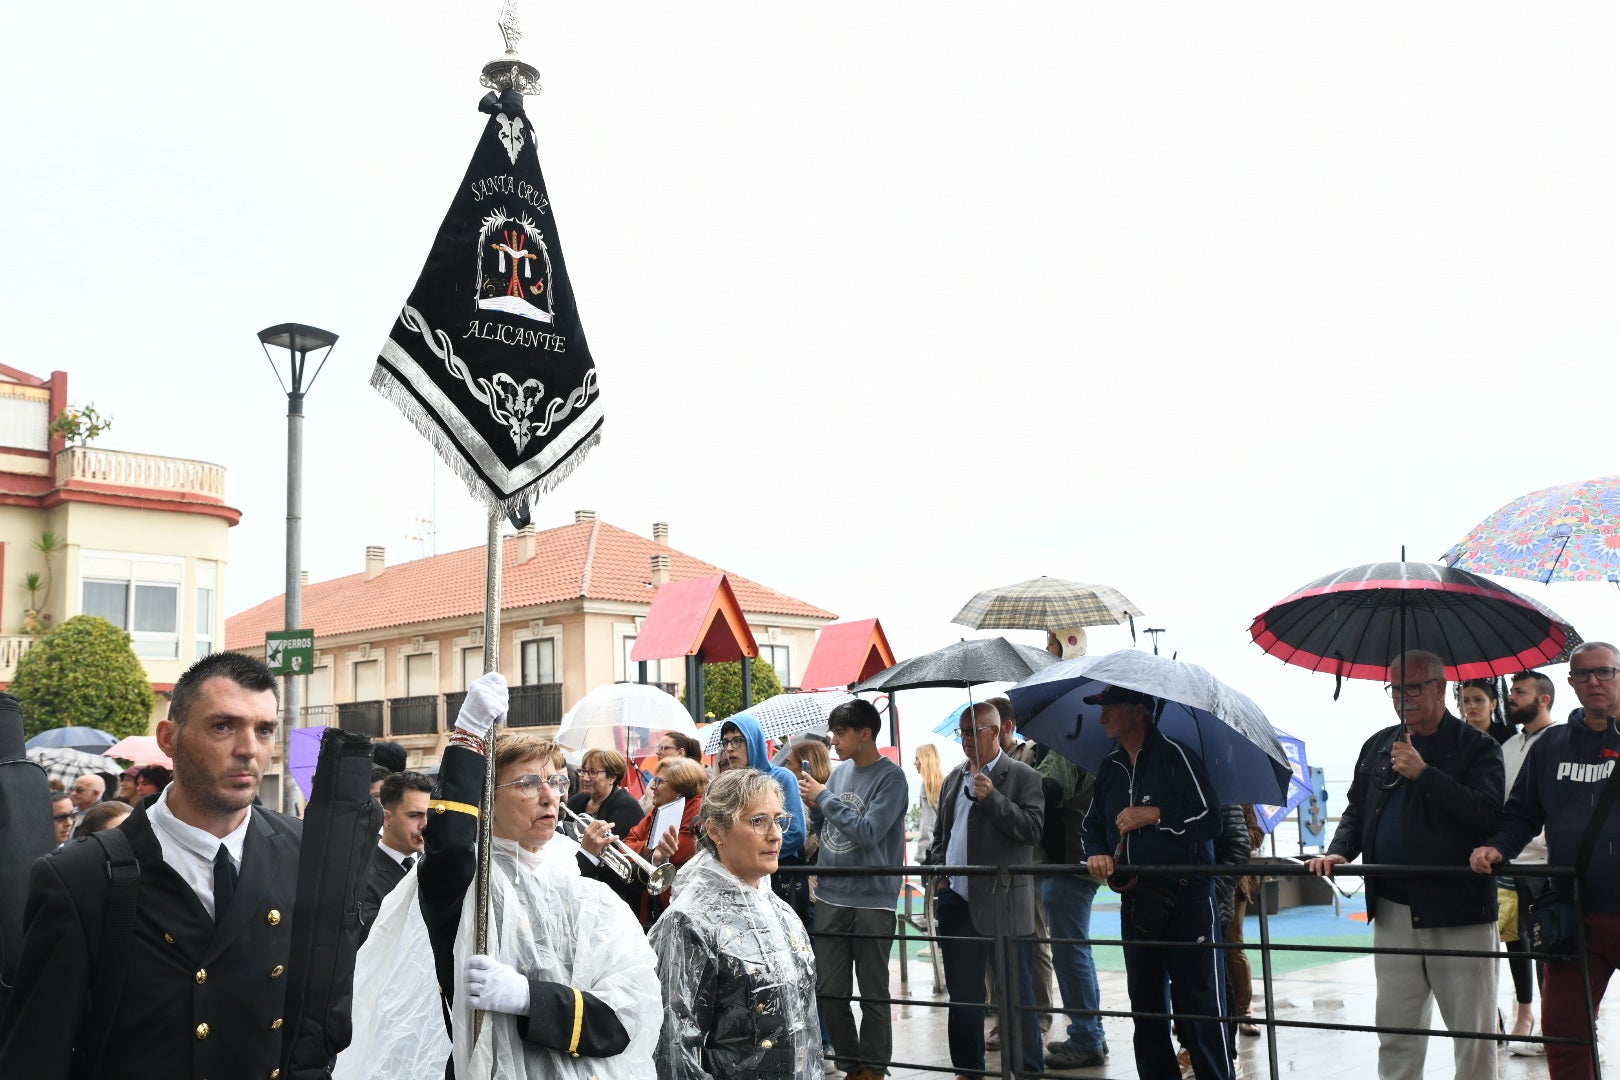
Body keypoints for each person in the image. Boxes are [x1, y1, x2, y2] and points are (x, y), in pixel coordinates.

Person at [0, 652, 303, 1079]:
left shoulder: (301, 851)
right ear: (168, 739)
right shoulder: (80, 877)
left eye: (264, 729)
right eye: (223, 726)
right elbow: (36, 1054)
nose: (248, 749)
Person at [347, 673, 659, 1079]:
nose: (551, 796)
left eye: (557, 781)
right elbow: (453, 846)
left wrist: (534, 999)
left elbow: (627, 1010)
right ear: (486, 799)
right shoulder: (466, 883)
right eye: (530, 783)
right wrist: (469, 735)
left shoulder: (580, 885)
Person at [1309, 649, 1503, 1080]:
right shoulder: (1379, 744)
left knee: (1473, 1035)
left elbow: (1489, 816)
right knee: (1395, 1031)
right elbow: (1357, 810)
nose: (1402, 697)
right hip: (1393, 908)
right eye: (1394, 688)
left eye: (1413, 687)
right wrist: (1340, 850)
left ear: (1440, 687)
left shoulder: (1478, 747)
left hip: (1460, 912)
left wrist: (1425, 773)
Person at [1471, 642, 1620, 1080]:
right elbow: (1522, 813)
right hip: (1575, 912)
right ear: (1570, 683)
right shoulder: (1552, 745)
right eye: (1584, 674)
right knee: (1563, 1031)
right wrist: (1499, 846)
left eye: (1605, 672)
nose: (1595, 681)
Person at [1082, 685, 1229, 1080]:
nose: (1101, 717)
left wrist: (1155, 815)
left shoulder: (1178, 756)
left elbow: (1210, 820)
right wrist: (1096, 852)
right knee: (1146, 1012)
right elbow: (1092, 826)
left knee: (1198, 1011)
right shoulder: (1110, 765)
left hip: (1188, 902)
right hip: (1137, 901)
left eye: (1108, 709)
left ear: (1138, 712)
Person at [649, 768, 820, 1080]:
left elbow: (803, 1029)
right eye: (758, 820)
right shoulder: (688, 922)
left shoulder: (783, 915)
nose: (775, 834)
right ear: (716, 831)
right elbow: (675, 1049)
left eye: (778, 819)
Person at [925, 702, 1046, 1078]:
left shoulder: (1023, 776)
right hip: (957, 902)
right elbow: (941, 836)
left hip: (1006, 903)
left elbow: (1031, 831)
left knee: (1017, 998)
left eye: (973, 731)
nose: (965, 740)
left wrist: (992, 798)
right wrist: (940, 873)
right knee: (963, 1000)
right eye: (961, 732)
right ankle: (967, 1071)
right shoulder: (951, 779)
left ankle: (1027, 1071)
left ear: (996, 731)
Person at [798, 699, 909, 1080]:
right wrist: (815, 805)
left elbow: (867, 833)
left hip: (873, 899)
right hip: (831, 894)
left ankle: (874, 1069)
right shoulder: (840, 774)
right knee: (829, 990)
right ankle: (850, 1065)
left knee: (874, 992)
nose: (834, 741)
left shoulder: (891, 778)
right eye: (833, 733)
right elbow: (831, 827)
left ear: (866, 734)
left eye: (841, 733)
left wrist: (824, 798)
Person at [1036, 736, 1110, 1069]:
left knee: (1070, 951)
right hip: (1077, 858)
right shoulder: (1088, 742)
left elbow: (1050, 788)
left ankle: (1087, 1038)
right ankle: (1090, 1031)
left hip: (1070, 860)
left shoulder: (1068, 742)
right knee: (1074, 950)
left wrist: (1010, 779)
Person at [985, 696, 1055, 1046]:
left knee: (1035, 940)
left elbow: (1034, 808)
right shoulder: (973, 766)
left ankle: (1039, 1017)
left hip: (1029, 864)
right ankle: (1001, 1015)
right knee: (992, 945)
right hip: (991, 869)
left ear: (1005, 727)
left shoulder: (1029, 755)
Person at [1496, 669, 1557, 1053]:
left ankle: (1561, 1024)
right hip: (1510, 862)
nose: (1511, 698)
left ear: (1544, 699)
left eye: (1519, 692)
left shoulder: (1561, 740)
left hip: (1547, 864)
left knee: (1551, 946)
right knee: (1515, 944)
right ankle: (1526, 1015)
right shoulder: (1507, 747)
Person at [715, 714, 807, 906]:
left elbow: (796, 833)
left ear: (754, 742)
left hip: (779, 879)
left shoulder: (783, 777)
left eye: (738, 740)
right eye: (726, 742)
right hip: (736, 880)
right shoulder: (727, 785)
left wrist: (751, 854)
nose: (730, 748)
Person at [620, 755, 707, 926]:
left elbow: (677, 851)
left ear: (679, 790)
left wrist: (646, 848)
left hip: (680, 908)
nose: (652, 786)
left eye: (660, 782)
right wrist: (648, 847)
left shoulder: (698, 811)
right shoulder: (659, 809)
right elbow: (625, 845)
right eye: (654, 779)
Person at [570, 748, 649, 913]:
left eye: (592, 772)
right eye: (583, 771)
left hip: (613, 896)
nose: (584, 778)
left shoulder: (626, 807)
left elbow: (615, 860)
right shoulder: (576, 801)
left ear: (612, 777)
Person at [360, 770, 433, 935]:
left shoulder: (434, 863)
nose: (425, 824)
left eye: (429, 815)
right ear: (386, 818)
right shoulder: (362, 874)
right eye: (415, 815)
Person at [914, 743, 944, 863]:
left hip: (930, 851)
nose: (914, 763)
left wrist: (920, 853)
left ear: (925, 760)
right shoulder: (945, 781)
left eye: (917, 758)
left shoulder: (927, 785)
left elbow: (928, 824)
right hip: (943, 849)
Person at [1459, 678, 1513, 745]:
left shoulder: (1505, 737)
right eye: (1465, 701)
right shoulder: (1455, 736)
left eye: (1478, 700)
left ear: (1493, 705)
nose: (1471, 706)